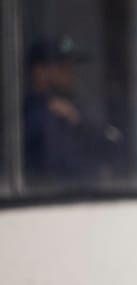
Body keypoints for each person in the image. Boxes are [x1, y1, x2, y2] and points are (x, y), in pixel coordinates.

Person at [22, 35, 121, 189]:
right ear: (40, 72)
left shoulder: (76, 113)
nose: (71, 74)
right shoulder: (23, 119)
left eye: (72, 67)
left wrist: (77, 119)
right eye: (63, 68)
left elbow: (113, 145)